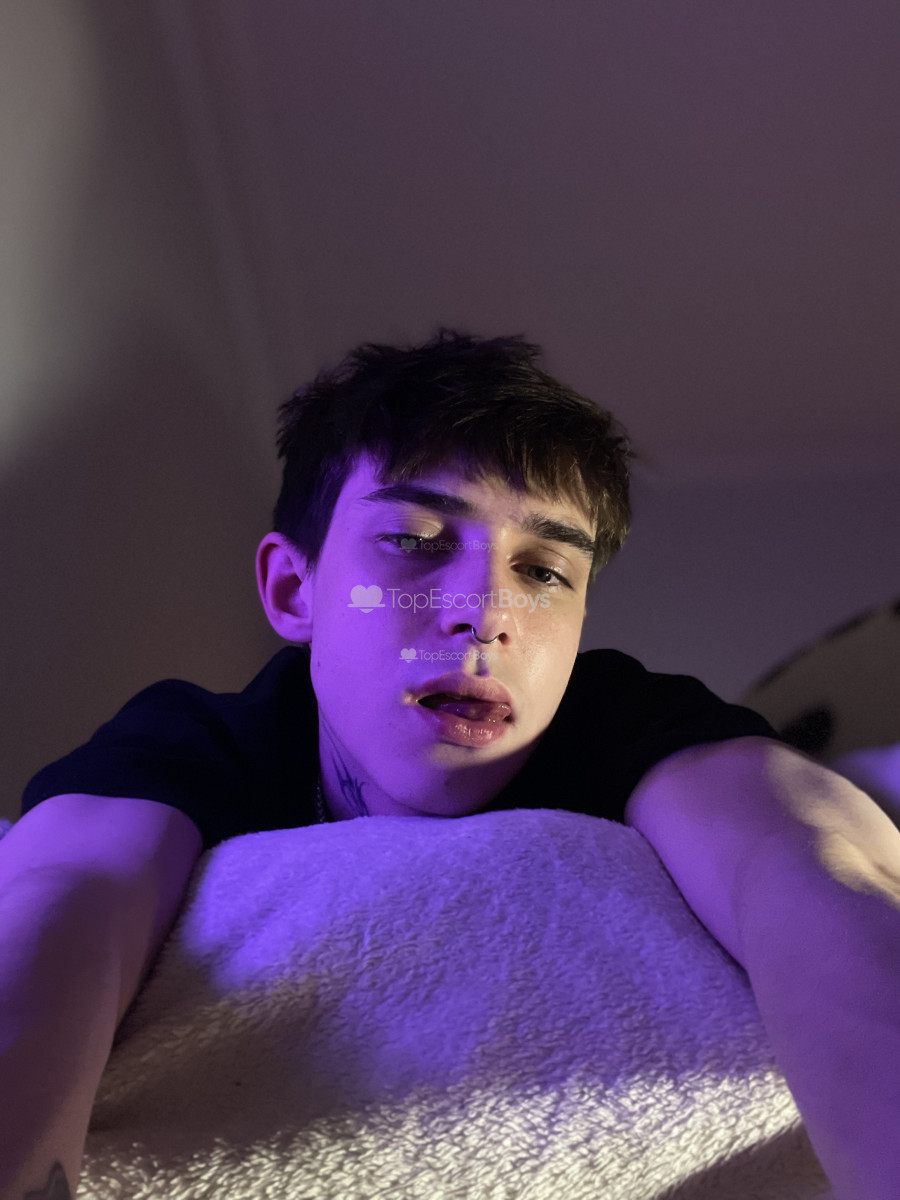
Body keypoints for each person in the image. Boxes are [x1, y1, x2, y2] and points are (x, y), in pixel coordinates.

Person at [2, 329, 899, 1199]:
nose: (488, 613)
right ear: (293, 588)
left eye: (545, 571)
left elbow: (813, 864)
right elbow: (57, 902)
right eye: (415, 541)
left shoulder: (631, 719)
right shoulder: (193, 741)